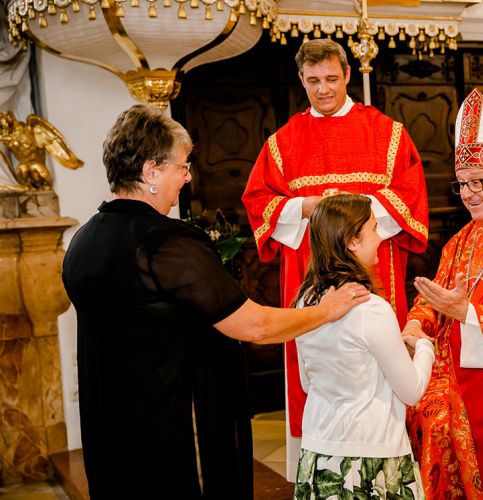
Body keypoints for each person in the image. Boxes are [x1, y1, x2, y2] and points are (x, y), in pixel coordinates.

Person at [62, 104, 369, 499]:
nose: (188, 176)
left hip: (110, 429)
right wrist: (326, 311)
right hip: (171, 429)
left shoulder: (83, 240)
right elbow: (255, 326)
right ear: (151, 172)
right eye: (181, 166)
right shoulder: (165, 243)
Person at [242, 38, 428, 474]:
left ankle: (389, 458)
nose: (323, 89)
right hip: (311, 276)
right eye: (313, 81)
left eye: (331, 78)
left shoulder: (386, 133)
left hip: (371, 271)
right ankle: (319, 462)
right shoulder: (283, 141)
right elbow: (258, 201)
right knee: (315, 367)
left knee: (382, 359)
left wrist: (349, 215)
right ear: (301, 80)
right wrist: (305, 207)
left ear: (347, 75)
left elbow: (410, 193)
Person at [402, 88, 483, 499]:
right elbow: (434, 299)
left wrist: (468, 312)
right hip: (454, 375)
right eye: (462, 183)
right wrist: (416, 323)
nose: (468, 193)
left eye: (477, 182)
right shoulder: (461, 240)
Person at [293, 194, 434, 498]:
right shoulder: (370, 308)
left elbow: (307, 381)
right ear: (352, 241)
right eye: (374, 228)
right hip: (372, 454)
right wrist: (424, 348)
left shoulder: (305, 302)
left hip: (319, 450)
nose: (380, 237)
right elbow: (411, 391)